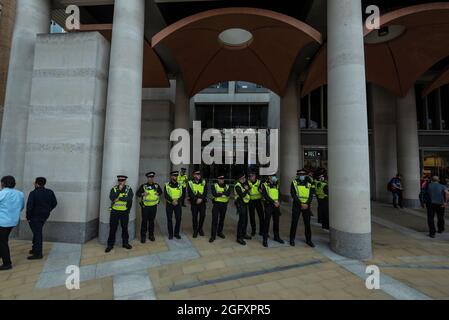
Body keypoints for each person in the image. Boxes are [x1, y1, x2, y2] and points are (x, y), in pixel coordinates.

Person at [26, 177, 57, 260]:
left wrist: (28, 217)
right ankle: (34, 249)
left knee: (37, 233)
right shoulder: (50, 192)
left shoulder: (33, 193)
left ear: (36, 183)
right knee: (37, 232)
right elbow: (55, 203)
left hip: (34, 217)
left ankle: (38, 253)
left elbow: (29, 207)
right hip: (44, 216)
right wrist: (48, 210)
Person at [0, 176, 25, 271]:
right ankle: (2, 254)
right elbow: (21, 207)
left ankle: (7, 263)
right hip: (13, 221)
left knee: (2, 242)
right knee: (3, 239)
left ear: (3, 183)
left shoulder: (2, 193)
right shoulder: (20, 193)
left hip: (2, 222)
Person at [105, 175, 134, 253]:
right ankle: (110, 245)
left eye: (122, 181)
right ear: (118, 181)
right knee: (112, 229)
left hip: (124, 212)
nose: (121, 182)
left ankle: (125, 243)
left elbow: (129, 198)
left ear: (125, 181)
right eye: (119, 181)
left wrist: (119, 198)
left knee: (125, 228)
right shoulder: (114, 189)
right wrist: (119, 191)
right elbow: (112, 198)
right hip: (114, 212)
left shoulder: (128, 189)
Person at [290, 169, 314, 247]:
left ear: (306, 174)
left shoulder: (310, 182)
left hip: (307, 206)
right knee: (294, 223)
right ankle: (292, 239)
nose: (302, 176)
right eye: (300, 174)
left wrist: (307, 203)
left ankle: (309, 240)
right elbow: (293, 194)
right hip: (297, 205)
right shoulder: (294, 182)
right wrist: (301, 204)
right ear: (298, 175)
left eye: (303, 174)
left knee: (307, 224)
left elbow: (311, 194)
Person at [136, 172, 162, 243]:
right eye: (149, 177)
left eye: (152, 177)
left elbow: (161, 192)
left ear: (154, 178)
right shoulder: (143, 186)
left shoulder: (156, 186)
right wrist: (142, 194)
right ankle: (143, 236)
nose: (151, 178)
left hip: (154, 206)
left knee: (151, 221)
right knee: (144, 221)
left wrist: (158, 193)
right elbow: (137, 194)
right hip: (145, 207)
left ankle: (151, 235)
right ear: (147, 178)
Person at [260, 174, 284, 247]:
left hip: (276, 206)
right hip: (269, 206)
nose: (274, 177)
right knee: (266, 222)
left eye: (275, 176)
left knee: (276, 222)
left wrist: (279, 202)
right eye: (273, 176)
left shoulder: (276, 184)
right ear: (269, 177)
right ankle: (265, 239)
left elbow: (279, 194)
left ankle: (276, 237)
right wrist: (274, 202)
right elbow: (265, 195)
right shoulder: (264, 185)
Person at [210, 175, 231, 243]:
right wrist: (223, 193)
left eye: (222, 179)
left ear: (223, 180)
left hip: (224, 205)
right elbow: (214, 194)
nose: (221, 180)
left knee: (222, 220)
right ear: (218, 179)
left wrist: (219, 193)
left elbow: (228, 194)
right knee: (215, 220)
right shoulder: (214, 185)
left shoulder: (227, 186)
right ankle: (213, 236)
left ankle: (219, 232)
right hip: (216, 204)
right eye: (220, 179)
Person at [164, 171, 185, 240]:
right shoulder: (166, 185)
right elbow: (166, 195)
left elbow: (182, 195)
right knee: (169, 219)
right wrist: (172, 201)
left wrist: (177, 201)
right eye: (173, 176)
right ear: (171, 176)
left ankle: (176, 233)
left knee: (178, 219)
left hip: (178, 204)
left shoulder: (180, 185)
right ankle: (170, 234)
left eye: (176, 176)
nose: (175, 177)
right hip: (169, 204)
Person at [188, 171, 207, 238]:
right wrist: (196, 199)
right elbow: (190, 193)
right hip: (194, 203)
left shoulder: (204, 182)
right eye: (197, 174)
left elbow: (205, 192)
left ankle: (200, 228)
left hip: (202, 202)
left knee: (203, 215)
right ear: (193, 175)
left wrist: (201, 199)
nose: (199, 175)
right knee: (194, 217)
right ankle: (195, 230)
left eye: (199, 174)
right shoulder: (190, 183)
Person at [234, 173, 252, 245]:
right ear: (239, 179)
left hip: (245, 203)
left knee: (245, 220)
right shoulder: (237, 186)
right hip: (240, 204)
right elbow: (241, 195)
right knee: (241, 221)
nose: (244, 179)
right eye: (242, 178)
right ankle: (239, 237)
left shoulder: (244, 184)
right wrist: (246, 190)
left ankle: (244, 234)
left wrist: (247, 189)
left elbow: (249, 189)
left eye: (244, 178)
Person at [247, 172, 265, 237]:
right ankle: (253, 231)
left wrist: (262, 191)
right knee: (252, 217)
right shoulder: (248, 183)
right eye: (250, 176)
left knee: (261, 216)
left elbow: (263, 191)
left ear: (255, 176)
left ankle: (261, 231)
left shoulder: (259, 182)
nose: (251, 177)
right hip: (251, 201)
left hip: (258, 201)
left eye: (252, 176)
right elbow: (245, 190)